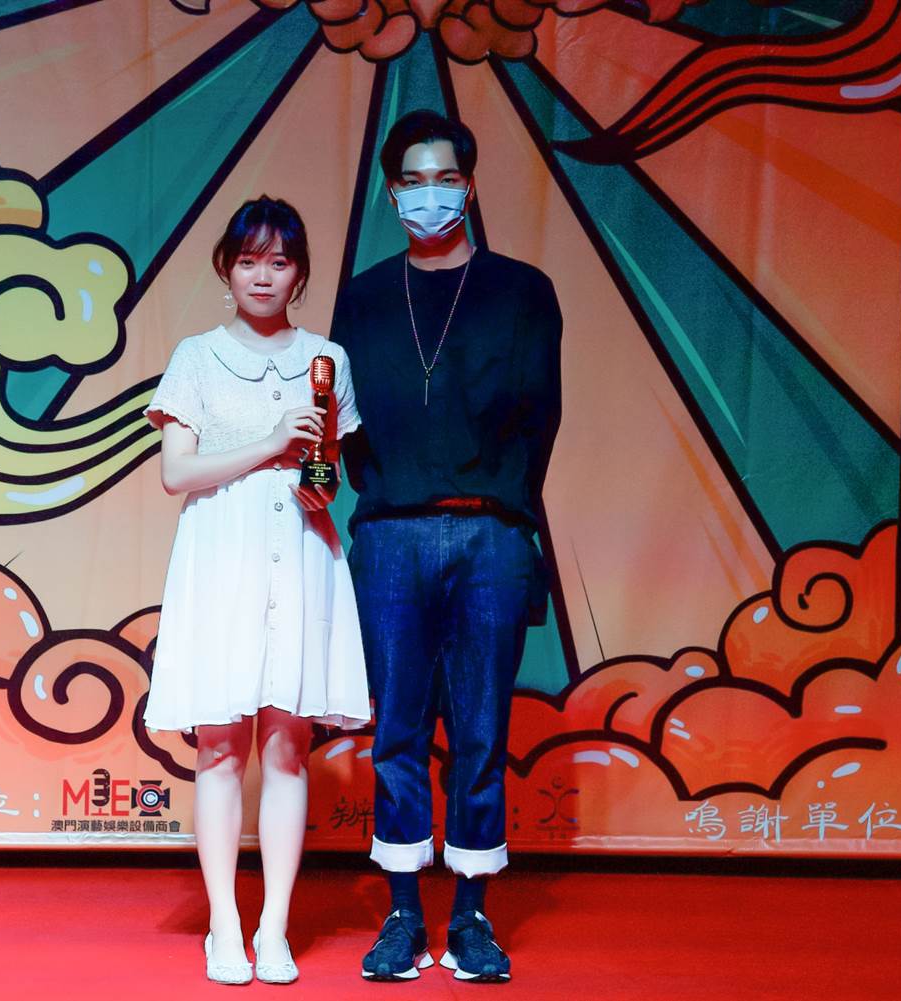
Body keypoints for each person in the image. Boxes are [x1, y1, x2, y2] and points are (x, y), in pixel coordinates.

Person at [331, 110, 564, 983]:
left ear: (469, 184)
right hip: (390, 532)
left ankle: (470, 917)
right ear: (392, 193)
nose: (430, 195)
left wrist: (508, 516)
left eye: (445, 178)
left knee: (479, 729)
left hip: (492, 534)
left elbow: (542, 418)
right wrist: (389, 494)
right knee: (397, 728)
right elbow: (343, 421)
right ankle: (402, 915)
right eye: (413, 182)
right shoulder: (363, 297)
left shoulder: (522, 292)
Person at [143, 196, 370, 986]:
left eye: (278, 261)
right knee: (218, 745)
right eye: (248, 260)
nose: (262, 275)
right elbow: (177, 472)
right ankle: (224, 922)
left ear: (300, 273)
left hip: (301, 551)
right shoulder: (197, 357)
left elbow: (329, 475)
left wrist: (315, 477)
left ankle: (274, 925)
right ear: (226, 270)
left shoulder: (327, 360)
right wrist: (271, 442)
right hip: (220, 555)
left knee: (286, 745)